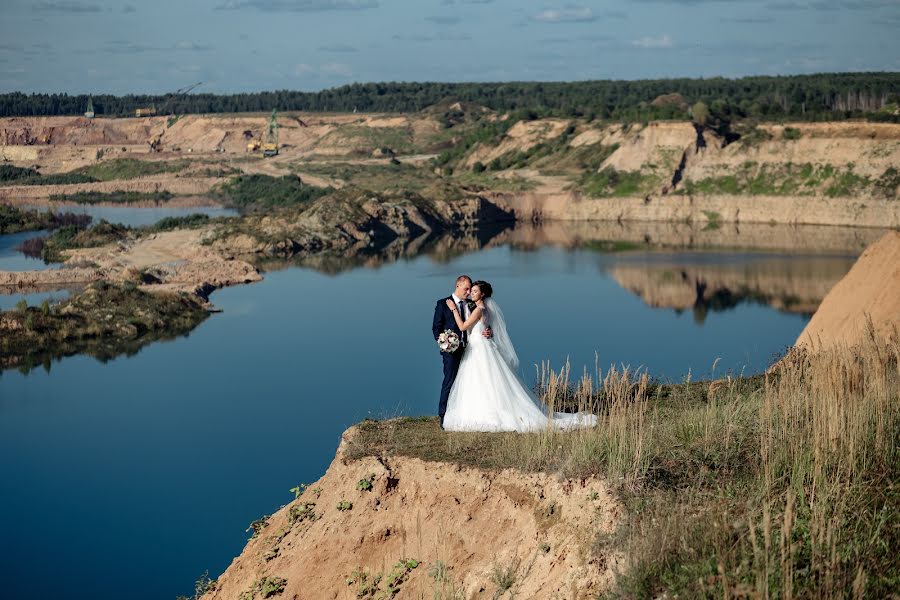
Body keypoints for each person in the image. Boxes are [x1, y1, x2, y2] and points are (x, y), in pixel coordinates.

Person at [441, 280, 597, 432]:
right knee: (485, 380)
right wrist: (489, 331)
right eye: (470, 290)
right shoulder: (482, 308)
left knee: (481, 379)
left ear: (482, 295)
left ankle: (484, 413)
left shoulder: (478, 309)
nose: (471, 293)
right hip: (479, 346)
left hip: (478, 348)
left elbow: (462, 326)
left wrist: (454, 309)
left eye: (474, 291)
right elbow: (486, 326)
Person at [432, 275, 491, 429]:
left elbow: (483, 320)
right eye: (466, 289)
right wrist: (445, 343)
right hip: (451, 351)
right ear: (458, 285)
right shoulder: (443, 304)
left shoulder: (472, 304)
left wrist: (488, 330)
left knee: (468, 383)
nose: (468, 292)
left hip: (470, 349)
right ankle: (443, 415)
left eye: (470, 289)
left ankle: (462, 413)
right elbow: (436, 328)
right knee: (450, 381)